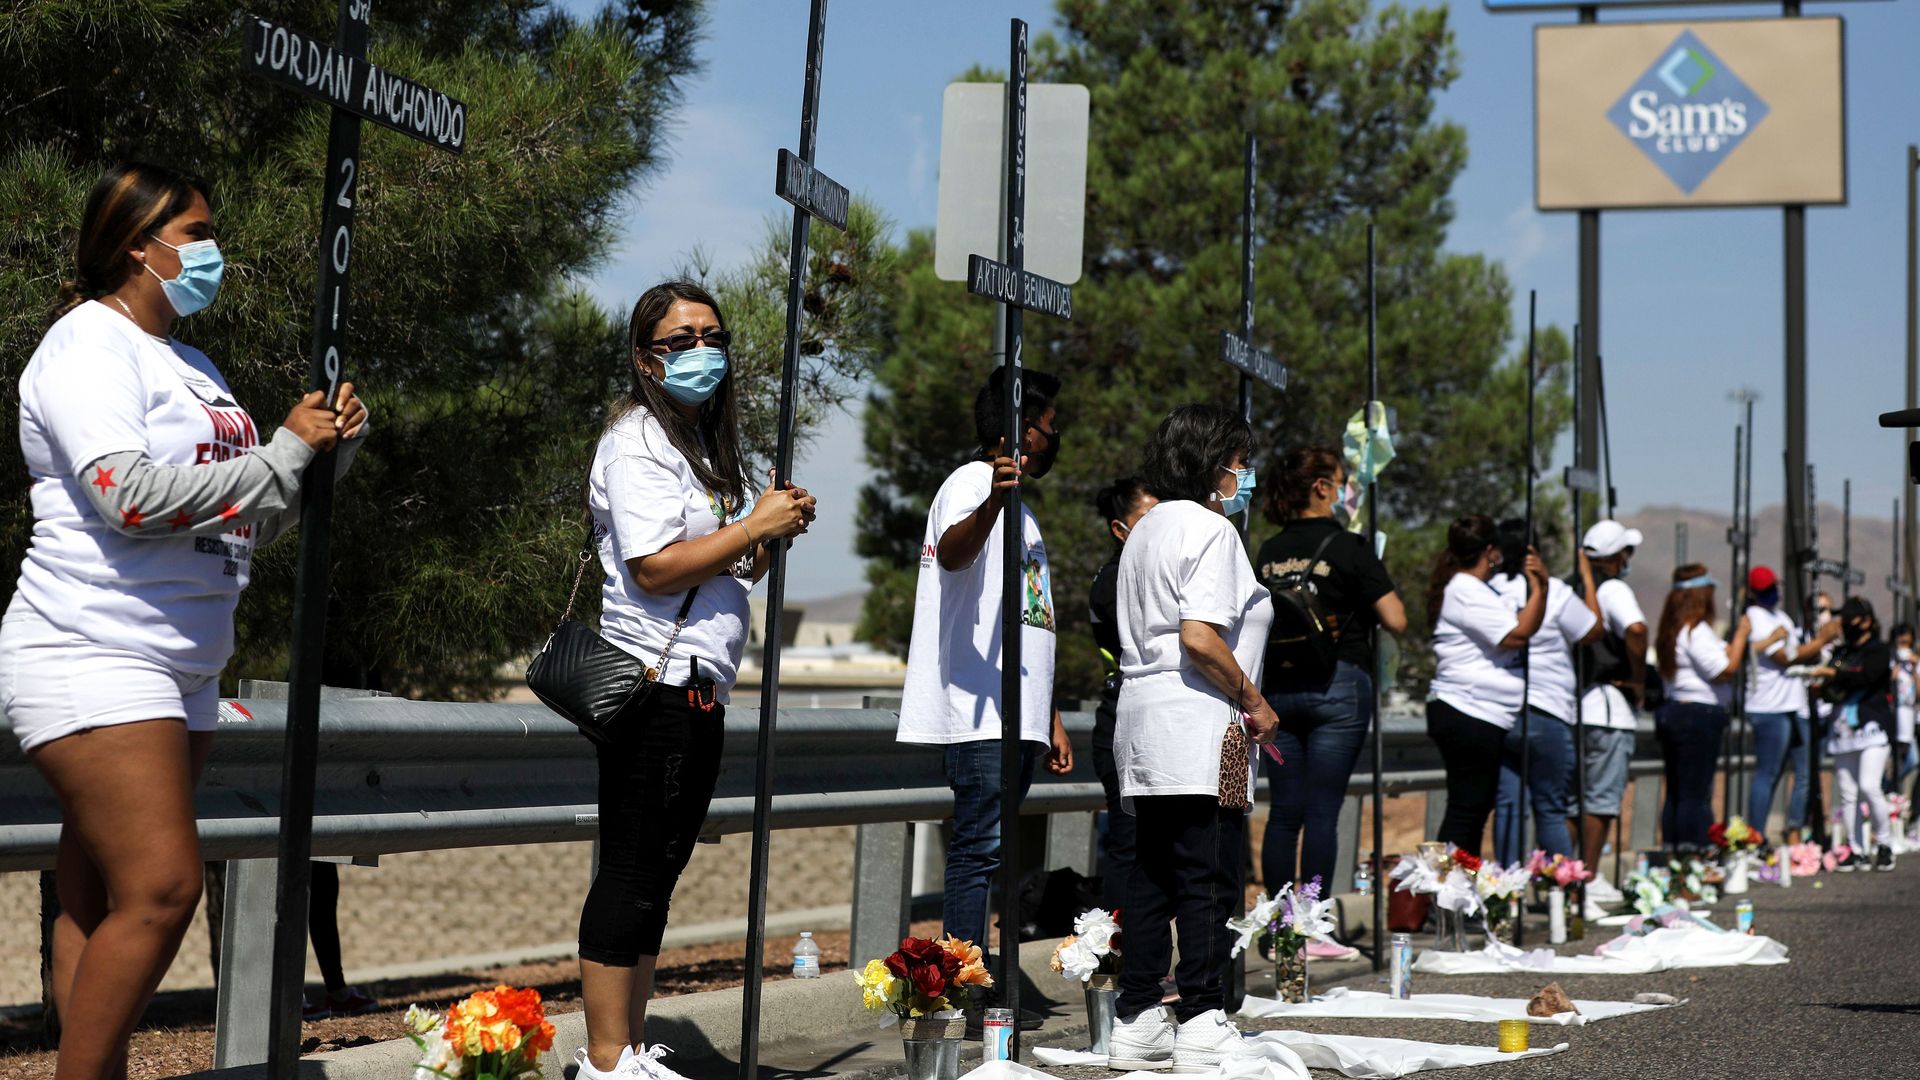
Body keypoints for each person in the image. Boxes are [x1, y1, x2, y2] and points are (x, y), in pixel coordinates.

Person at [1, 162, 369, 1079]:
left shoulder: (192, 364)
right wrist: (285, 448)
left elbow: (244, 513)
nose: (214, 252)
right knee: (165, 890)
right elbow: (126, 496)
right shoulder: (88, 345)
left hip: (183, 658)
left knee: (98, 901)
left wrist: (328, 460)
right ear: (139, 245)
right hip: (94, 643)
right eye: (197, 234)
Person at [573, 281, 817, 1080]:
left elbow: (727, 569)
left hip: (700, 681)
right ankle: (608, 1061)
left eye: (712, 335)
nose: (700, 352)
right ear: (646, 360)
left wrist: (769, 532)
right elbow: (651, 568)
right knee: (633, 868)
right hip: (653, 680)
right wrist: (751, 524)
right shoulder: (638, 442)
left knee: (658, 874)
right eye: (680, 341)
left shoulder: (702, 450)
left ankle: (630, 1048)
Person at [1106, 405, 1276, 1074]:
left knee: (1149, 874)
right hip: (1204, 722)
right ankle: (1204, 1015)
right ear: (1216, 464)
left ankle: (1139, 1015)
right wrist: (1255, 700)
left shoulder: (1145, 531)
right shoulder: (1213, 530)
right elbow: (1200, 636)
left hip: (1143, 724)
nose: (1244, 473)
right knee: (1209, 874)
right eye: (1238, 460)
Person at [896, 367, 1074, 966]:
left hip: (1016, 715)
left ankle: (979, 980)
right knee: (977, 852)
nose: (1055, 437)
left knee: (994, 854)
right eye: (1049, 426)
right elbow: (951, 553)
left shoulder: (1023, 509)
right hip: (980, 715)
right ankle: (958, 986)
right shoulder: (973, 483)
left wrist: (1047, 715)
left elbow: (1025, 622)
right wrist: (994, 500)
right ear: (1024, 429)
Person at [1252, 445, 1405, 959]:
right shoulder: (1348, 545)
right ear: (1320, 486)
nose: (1343, 491)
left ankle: (1279, 929)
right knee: (1322, 813)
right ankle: (1314, 925)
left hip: (1277, 691)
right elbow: (1397, 619)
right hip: (1338, 685)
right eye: (1339, 482)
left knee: (1283, 814)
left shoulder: (1268, 550)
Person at [1423, 514, 1548, 857]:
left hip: (1480, 713)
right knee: (1467, 809)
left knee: (1474, 809)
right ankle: (1448, 897)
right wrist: (1541, 587)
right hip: (1468, 710)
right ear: (1490, 551)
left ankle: (1459, 893)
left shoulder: (1470, 588)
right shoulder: (1466, 589)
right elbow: (1517, 635)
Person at [1490, 521, 1602, 864]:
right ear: (1532, 552)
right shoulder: (1553, 590)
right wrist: (1587, 581)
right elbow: (1592, 630)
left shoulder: (1486, 590)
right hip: (1547, 710)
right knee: (1550, 808)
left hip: (1500, 710)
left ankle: (1506, 896)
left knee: (1508, 807)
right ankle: (1561, 896)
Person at [1569, 521, 1648, 910]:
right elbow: (1635, 628)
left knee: (1573, 801)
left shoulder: (1574, 589)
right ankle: (1588, 876)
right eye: (1626, 553)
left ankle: (1569, 875)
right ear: (1615, 557)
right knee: (1600, 801)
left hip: (1574, 707)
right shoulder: (1613, 589)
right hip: (1608, 708)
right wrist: (1638, 679)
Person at [1090, 477, 1157, 910]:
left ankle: (1141, 965)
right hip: (1122, 727)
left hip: (1142, 724)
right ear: (1120, 529)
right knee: (1129, 850)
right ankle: (1112, 964)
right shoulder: (1117, 579)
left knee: (1154, 855)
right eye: (1148, 520)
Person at [1652, 566, 1751, 852]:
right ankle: (1692, 856)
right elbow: (1723, 670)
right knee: (1695, 794)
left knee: (1678, 792)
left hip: (1675, 711)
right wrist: (1742, 635)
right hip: (1697, 715)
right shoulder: (1696, 631)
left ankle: (1673, 851)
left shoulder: (1672, 630)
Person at [1743, 566, 1834, 840]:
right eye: (1766, 588)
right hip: (1769, 708)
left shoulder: (1779, 616)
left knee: (1803, 773)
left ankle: (1795, 829)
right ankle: (1755, 836)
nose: (1773, 592)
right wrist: (1821, 640)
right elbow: (1785, 657)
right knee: (1768, 774)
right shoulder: (1755, 618)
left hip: (1792, 706)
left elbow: (1795, 654)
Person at [1809, 598, 1897, 871]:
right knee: (1848, 793)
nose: (1847, 625)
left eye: (1852, 619)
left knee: (1870, 786)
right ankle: (1856, 849)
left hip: (1871, 728)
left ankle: (1884, 844)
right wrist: (1822, 685)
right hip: (1843, 730)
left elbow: (1866, 676)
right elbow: (1829, 684)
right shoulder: (1842, 653)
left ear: (1867, 621)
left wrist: (1833, 675)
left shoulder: (1879, 650)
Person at [1891, 622, 1916, 795]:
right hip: (1892, 718)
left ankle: (1890, 788)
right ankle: (1889, 788)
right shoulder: (1891, 661)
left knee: (1912, 760)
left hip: (1910, 719)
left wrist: (1914, 669)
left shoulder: (1914, 662)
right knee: (1895, 761)